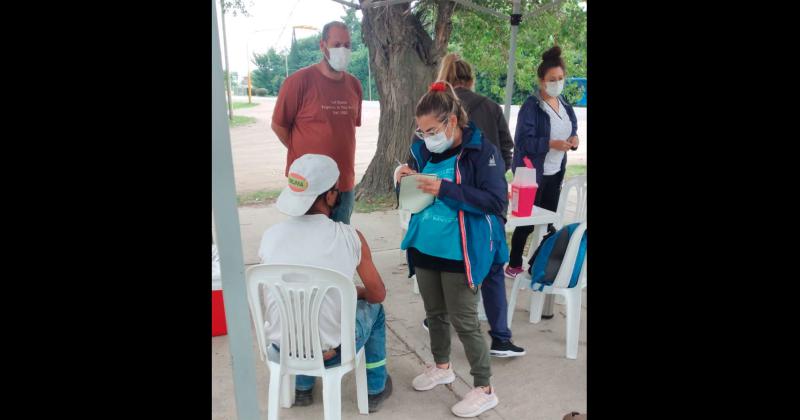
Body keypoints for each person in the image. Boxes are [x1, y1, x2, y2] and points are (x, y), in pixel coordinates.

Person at [394, 81, 508, 418]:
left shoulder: (481, 152)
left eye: (431, 129)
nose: (425, 135)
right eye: (421, 129)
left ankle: (484, 388)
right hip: (426, 245)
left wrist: (447, 188)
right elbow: (411, 191)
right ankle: (442, 366)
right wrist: (401, 175)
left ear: (452, 121)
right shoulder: (424, 149)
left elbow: (495, 201)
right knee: (435, 314)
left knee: (465, 320)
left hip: (462, 251)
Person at [258, 154, 392, 412]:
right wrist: (353, 292)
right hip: (332, 351)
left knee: (297, 309)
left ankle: (303, 388)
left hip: (281, 347)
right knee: (375, 312)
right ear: (330, 196)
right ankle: (375, 388)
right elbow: (377, 294)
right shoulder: (350, 238)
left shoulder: (270, 237)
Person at [434, 53, 524, 357]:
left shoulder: (437, 108)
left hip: (448, 203)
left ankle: (439, 319)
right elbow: (508, 146)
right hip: (486, 205)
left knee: (448, 266)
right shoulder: (488, 106)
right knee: (493, 269)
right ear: (470, 79)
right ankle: (500, 337)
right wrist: (496, 171)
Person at [271, 21, 362, 224]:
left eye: (347, 45)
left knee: (339, 247)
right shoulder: (298, 82)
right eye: (337, 44)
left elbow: (344, 131)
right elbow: (279, 125)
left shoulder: (354, 85)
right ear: (323, 46)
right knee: (305, 251)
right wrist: (303, 154)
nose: (343, 50)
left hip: (342, 186)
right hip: (307, 188)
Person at [505, 46, 580, 279]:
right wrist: (550, 144)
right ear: (541, 81)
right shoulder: (532, 106)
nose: (557, 83)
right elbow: (523, 142)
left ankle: (539, 263)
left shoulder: (564, 103)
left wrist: (573, 139)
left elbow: (572, 128)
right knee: (526, 223)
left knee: (548, 223)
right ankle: (514, 264)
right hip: (532, 175)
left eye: (560, 78)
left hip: (555, 173)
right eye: (551, 79)